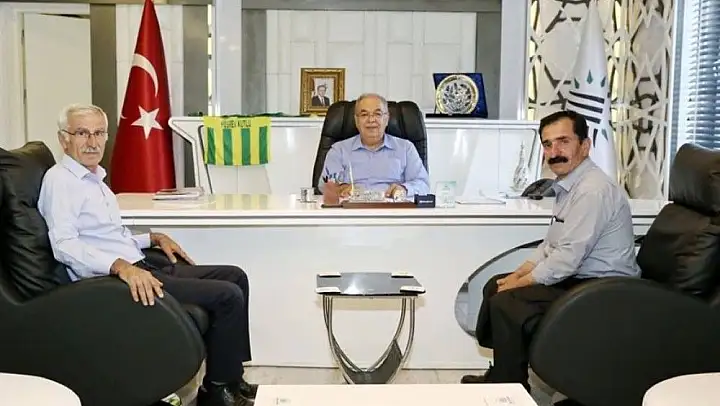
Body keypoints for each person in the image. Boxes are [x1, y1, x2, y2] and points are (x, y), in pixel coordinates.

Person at [38, 104, 257, 406]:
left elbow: (108, 236)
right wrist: (120, 267)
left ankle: (231, 377)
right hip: (114, 282)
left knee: (235, 276)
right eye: (82, 133)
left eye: (99, 133)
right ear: (64, 139)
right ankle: (218, 392)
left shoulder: (93, 178)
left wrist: (151, 238)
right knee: (227, 295)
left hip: (139, 264)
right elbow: (64, 244)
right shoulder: (61, 181)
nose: (92, 142)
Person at [461, 110, 639, 392]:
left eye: (563, 142)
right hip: (580, 278)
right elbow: (550, 246)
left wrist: (517, 285)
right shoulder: (569, 185)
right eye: (547, 144)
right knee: (495, 286)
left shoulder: (592, 191)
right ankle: (505, 374)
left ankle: (509, 387)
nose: (554, 152)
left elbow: (566, 260)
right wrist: (516, 276)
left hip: (605, 289)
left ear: (585, 145)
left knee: (506, 301)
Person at [318, 93, 430, 198]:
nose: (371, 120)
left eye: (377, 114)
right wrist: (341, 189)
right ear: (356, 120)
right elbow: (325, 185)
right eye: (364, 114)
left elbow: (422, 184)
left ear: (387, 119)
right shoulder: (339, 150)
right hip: (352, 208)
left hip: (392, 208)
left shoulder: (405, 148)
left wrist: (404, 189)